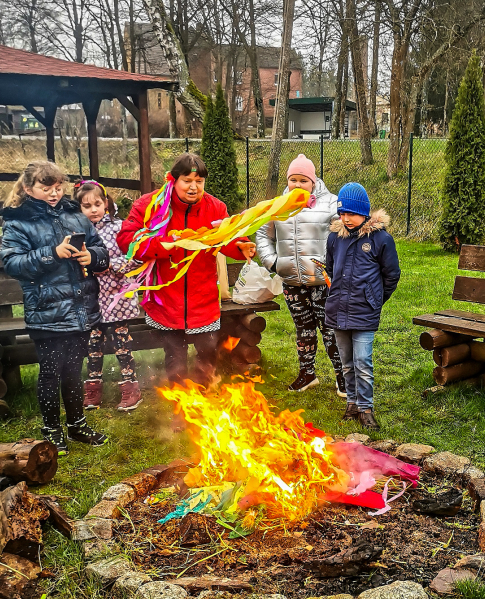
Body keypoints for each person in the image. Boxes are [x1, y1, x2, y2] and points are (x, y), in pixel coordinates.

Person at [117, 153, 256, 386]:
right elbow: (126, 240)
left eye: (199, 182)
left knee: (208, 353)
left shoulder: (215, 207)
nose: (194, 187)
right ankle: (180, 409)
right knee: (175, 358)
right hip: (167, 301)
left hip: (203, 299)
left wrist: (240, 247)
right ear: (173, 180)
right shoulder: (150, 206)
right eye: (187, 181)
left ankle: (202, 402)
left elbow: (227, 238)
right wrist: (165, 246)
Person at [0, 161, 110, 455]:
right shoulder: (18, 221)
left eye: (58, 187)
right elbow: (13, 263)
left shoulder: (75, 214)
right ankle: (52, 429)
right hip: (46, 312)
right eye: (45, 188)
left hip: (80, 309)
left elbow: (101, 248)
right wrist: (52, 253)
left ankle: (77, 425)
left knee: (74, 370)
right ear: (28, 188)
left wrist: (92, 257)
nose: (53, 193)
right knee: (51, 372)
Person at [255, 154, 345, 395]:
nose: (297, 185)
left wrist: (335, 266)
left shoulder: (331, 204)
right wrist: (273, 263)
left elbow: (344, 235)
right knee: (303, 329)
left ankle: (342, 376)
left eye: (303, 180)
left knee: (330, 329)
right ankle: (307, 374)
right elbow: (263, 235)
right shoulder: (278, 206)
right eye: (293, 179)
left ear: (313, 182)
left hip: (323, 283)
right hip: (292, 282)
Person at [325, 182, 400, 432]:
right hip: (338, 312)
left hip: (364, 312)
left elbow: (391, 276)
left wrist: (374, 299)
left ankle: (366, 408)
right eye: (342, 214)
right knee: (346, 362)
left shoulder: (381, 239)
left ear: (365, 213)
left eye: (352, 214)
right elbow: (330, 268)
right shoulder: (335, 238)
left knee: (363, 363)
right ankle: (352, 403)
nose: (346, 219)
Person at [76, 180, 142, 412]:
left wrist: (110, 265)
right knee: (93, 343)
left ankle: (130, 386)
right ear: (79, 209)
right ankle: (93, 387)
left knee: (120, 343)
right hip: (91, 299)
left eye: (97, 204)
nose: (93, 210)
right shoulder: (76, 233)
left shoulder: (119, 228)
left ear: (106, 203)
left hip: (117, 295)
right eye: (86, 206)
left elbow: (136, 257)